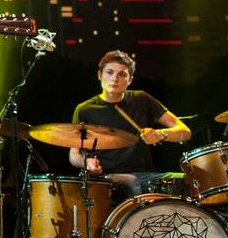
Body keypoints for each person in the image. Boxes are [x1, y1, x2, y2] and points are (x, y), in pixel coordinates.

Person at [68, 50, 191, 198]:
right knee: (130, 184)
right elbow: (74, 155)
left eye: (122, 74)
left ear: (130, 79)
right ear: (100, 75)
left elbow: (185, 131)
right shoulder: (85, 110)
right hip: (106, 179)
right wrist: (87, 162)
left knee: (189, 180)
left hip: (145, 177)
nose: (115, 78)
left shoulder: (141, 99)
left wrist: (160, 134)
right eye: (110, 72)